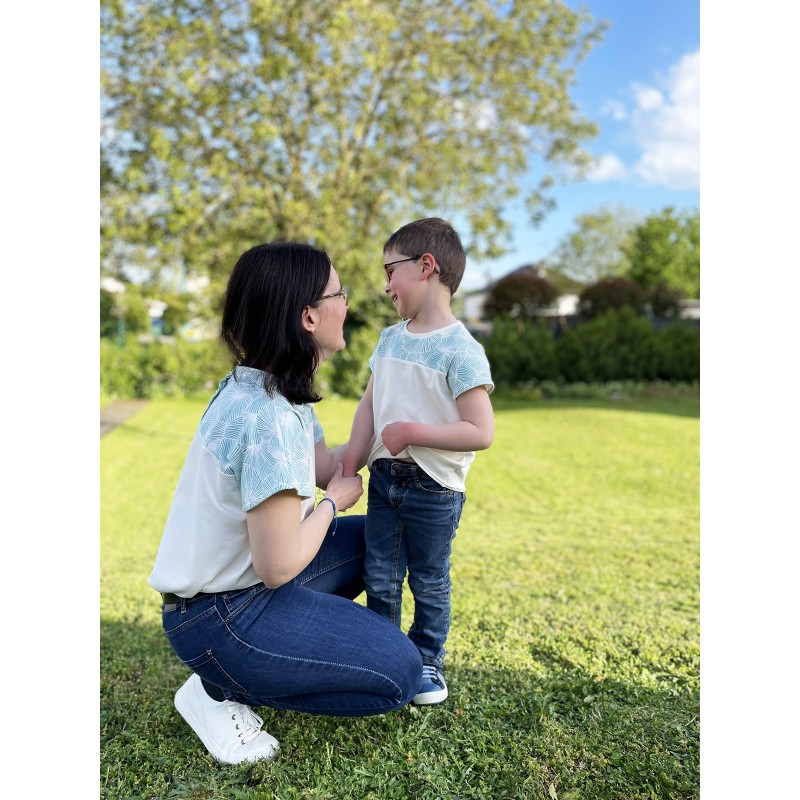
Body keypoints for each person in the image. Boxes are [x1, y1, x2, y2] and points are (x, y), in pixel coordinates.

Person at [148, 242, 422, 765]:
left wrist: (381, 403)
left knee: (383, 537)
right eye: (339, 293)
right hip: (221, 615)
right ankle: (216, 690)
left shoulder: (277, 393)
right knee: (399, 675)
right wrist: (331, 505)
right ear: (309, 316)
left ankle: (254, 662)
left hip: (239, 592)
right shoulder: (265, 420)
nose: (348, 303)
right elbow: (278, 565)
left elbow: (326, 466)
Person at [342, 218, 495, 706]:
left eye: (391, 270)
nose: (386, 284)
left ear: (426, 267)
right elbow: (369, 406)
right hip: (386, 478)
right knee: (380, 574)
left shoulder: (461, 350)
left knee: (428, 579)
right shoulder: (389, 340)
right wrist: (350, 465)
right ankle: (384, 659)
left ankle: (427, 660)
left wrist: (413, 432)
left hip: (435, 489)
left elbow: (480, 431)